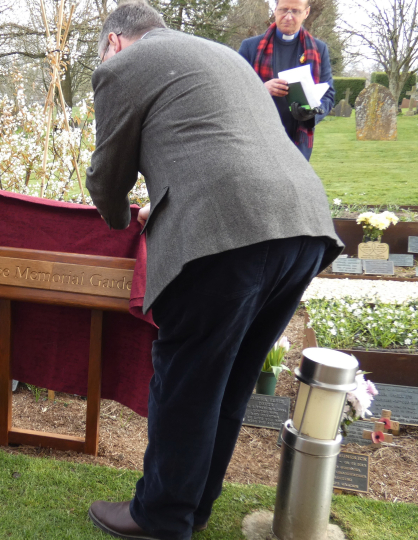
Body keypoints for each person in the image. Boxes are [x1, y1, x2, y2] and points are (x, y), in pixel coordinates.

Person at [84, 3, 342, 540]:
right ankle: (193, 506)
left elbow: (109, 173)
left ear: (114, 43)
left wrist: (117, 220)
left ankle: (159, 517)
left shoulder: (120, 67)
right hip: (304, 223)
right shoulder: (224, 55)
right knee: (230, 378)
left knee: (187, 380)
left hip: (225, 232)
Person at [239, 0, 335, 161]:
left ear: (306, 13)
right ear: (275, 10)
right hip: (257, 137)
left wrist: (311, 114)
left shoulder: (318, 49)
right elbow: (234, 90)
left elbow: (328, 95)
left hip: (298, 139)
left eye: (295, 11)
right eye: (283, 10)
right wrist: (261, 89)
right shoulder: (250, 47)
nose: (288, 17)